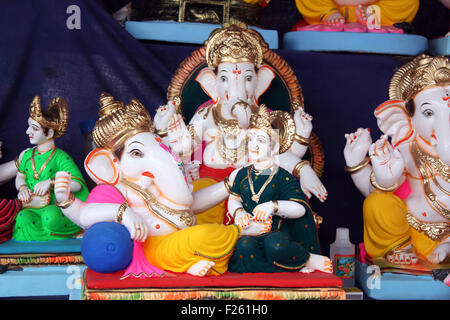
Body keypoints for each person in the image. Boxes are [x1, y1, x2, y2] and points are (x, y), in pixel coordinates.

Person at [227, 106, 333, 273]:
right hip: (249, 230)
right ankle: (277, 268)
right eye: (251, 139)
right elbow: (234, 199)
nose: (254, 145)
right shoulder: (242, 174)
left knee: (275, 245)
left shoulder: (282, 176)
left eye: (260, 141)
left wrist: (273, 206)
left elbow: (299, 208)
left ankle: (306, 259)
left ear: (274, 147)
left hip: (276, 232)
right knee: (243, 248)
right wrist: (238, 212)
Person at [13, 96, 89, 241]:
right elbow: (20, 176)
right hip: (32, 205)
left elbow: (77, 184)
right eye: (29, 126)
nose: (28, 132)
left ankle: (61, 237)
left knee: (50, 218)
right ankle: (33, 246)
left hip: (54, 207)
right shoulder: (28, 155)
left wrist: (51, 182)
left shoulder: (60, 157)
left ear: (49, 133)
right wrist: (22, 188)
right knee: (21, 219)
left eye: (34, 128)